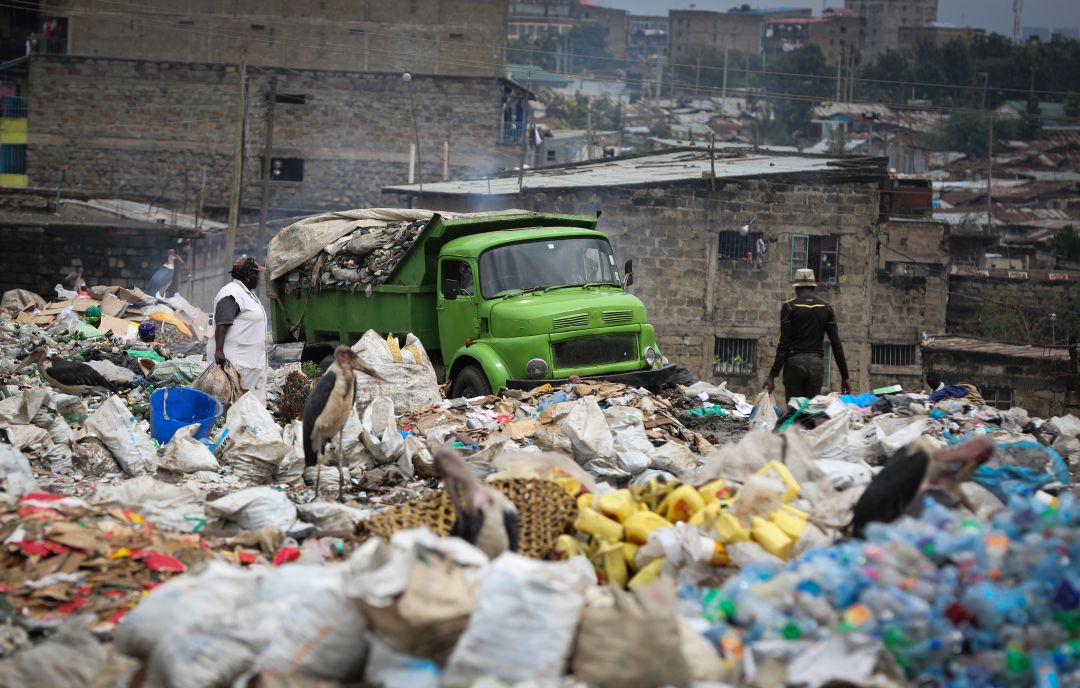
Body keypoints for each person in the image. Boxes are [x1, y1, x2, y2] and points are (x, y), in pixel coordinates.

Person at [764, 268, 851, 402]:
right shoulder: (826, 307)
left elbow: (784, 343)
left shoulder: (788, 307)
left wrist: (772, 376)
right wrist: (845, 376)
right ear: (813, 287)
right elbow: (836, 343)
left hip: (794, 364)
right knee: (810, 411)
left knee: (794, 412)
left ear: (796, 288)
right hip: (816, 366)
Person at [206, 256, 268, 402]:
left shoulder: (246, 293)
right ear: (247, 275)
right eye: (256, 274)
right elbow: (222, 322)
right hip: (235, 361)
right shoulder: (232, 293)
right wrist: (219, 350)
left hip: (248, 362)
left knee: (246, 405)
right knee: (232, 404)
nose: (258, 279)